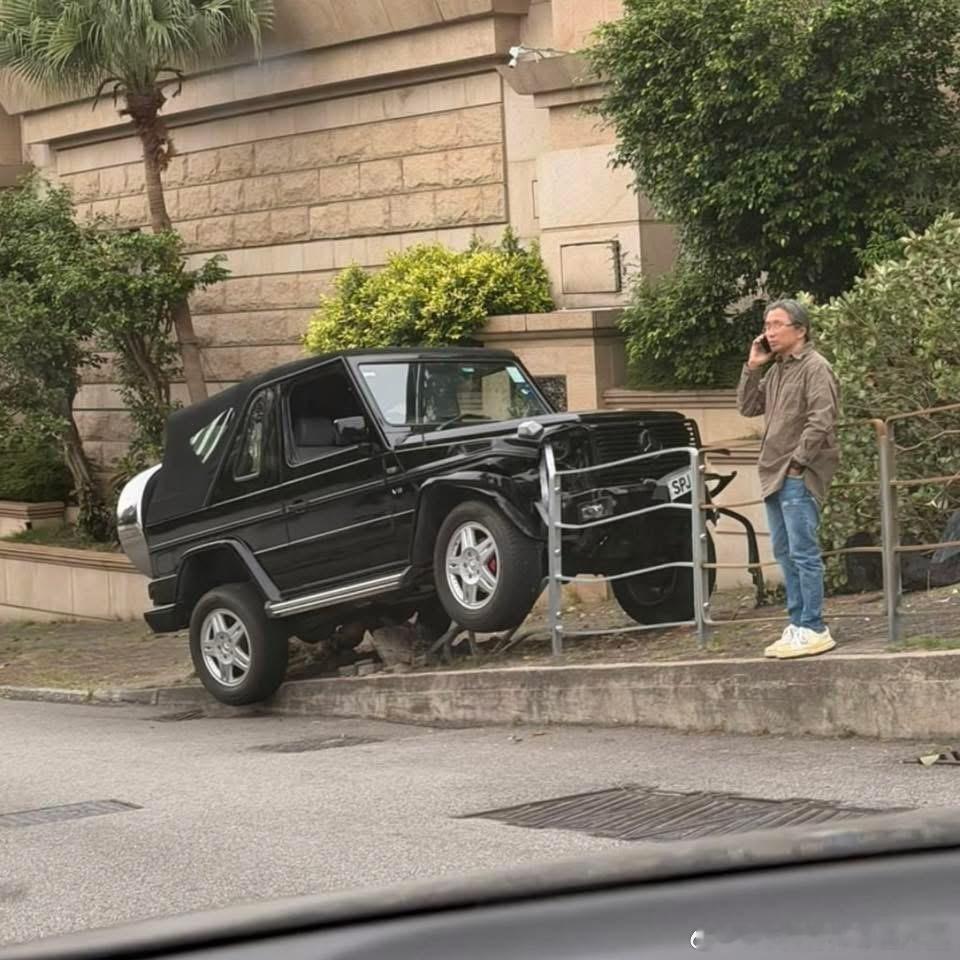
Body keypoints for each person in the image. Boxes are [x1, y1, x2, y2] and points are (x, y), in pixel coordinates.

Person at [737, 298, 840, 659]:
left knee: (803, 553)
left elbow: (821, 419)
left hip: (797, 473)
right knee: (784, 552)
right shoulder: (777, 370)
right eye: (767, 325)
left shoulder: (816, 367)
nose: (769, 332)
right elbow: (748, 407)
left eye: (777, 324)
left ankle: (814, 626)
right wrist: (753, 367)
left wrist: (797, 464)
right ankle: (797, 624)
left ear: (800, 330)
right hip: (773, 474)